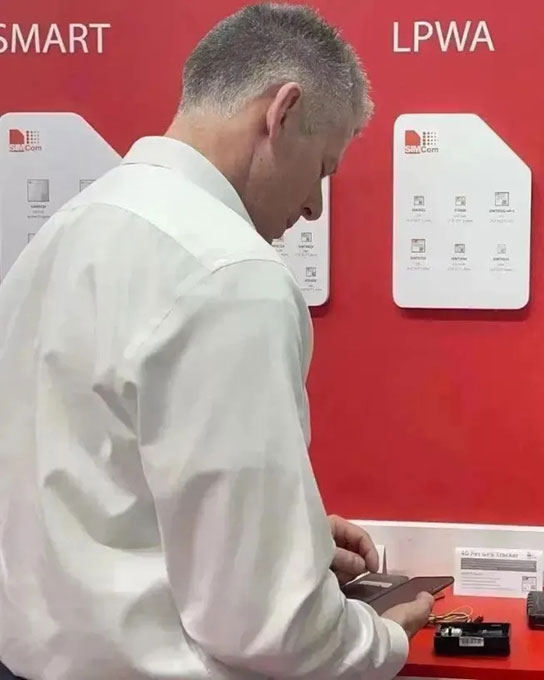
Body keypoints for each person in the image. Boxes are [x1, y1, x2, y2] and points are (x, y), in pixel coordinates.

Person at [0, 4, 433, 679]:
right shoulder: (231, 272)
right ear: (282, 112)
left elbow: (92, 490)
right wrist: (381, 640)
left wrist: (287, 534)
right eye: (323, 167)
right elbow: (269, 627)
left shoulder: (62, 234)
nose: (315, 206)